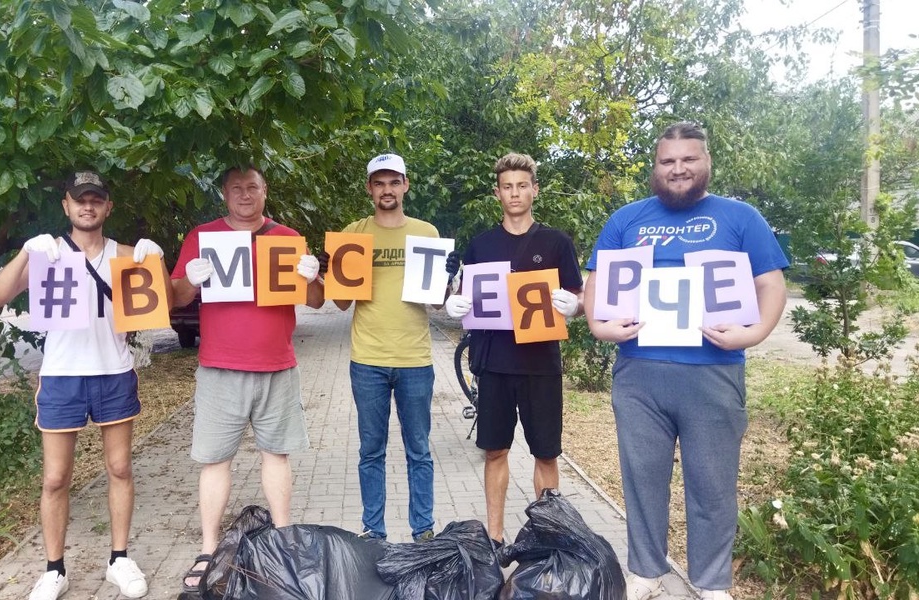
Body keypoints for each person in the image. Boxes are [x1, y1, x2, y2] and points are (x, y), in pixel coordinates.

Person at [583, 122, 788, 600]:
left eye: (688, 159)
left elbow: (771, 284)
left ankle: (711, 582)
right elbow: (596, 282)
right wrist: (597, 324)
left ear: (706, 162)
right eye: (667, 161)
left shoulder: (740, 217)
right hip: (639, 374)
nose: (678, 169)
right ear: (655, 167)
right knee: (642, 480)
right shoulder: (627, 219)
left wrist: (754, 333)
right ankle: (646, 572)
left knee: (713, 486)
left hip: (714, 373)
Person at [0, 171, 167, 600]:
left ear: (107, 207)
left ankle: (119, 559)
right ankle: (54, 569)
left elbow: (163, 301)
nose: (88, 206)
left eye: (96, 200)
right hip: (61, 376)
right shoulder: (46, 254)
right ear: (66, 206)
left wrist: (154, 262)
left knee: (120, 469)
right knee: (54, 478)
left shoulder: (125, 255)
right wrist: (26, 255)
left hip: (113, 372)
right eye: (79, 200)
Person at [169, 166, 324, 593]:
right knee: (215, 459)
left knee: (277, 454)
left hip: (277, 364)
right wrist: (189, 283)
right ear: (224, 193)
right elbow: (174, 296)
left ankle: (284, 537)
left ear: (264, 191)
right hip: (220, 367)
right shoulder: (202, 237)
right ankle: (208, 547)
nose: (244, 194)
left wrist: (314, 277)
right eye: (236, 188)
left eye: (251, 187)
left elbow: (316, 301)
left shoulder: (288, 238)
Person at [444, 152, 584, 548]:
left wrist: (574, 306)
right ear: (497, 193)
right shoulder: (481, 245)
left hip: (541, 363)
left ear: (534, 190)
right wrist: (456, 302)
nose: (515, 193)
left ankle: (549, 538)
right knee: (494, 451)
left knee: (546, 453)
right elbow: (464, 295)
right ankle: (494, 536)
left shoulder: (556, 242)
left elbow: (577, 294)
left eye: (522, 185)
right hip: (493, 363)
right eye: (507, 186)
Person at [327, 153, 458, 542]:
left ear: (406, 185)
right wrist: (326, 271)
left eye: (394, 181)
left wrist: (448, 281)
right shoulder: (353, 233)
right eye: (379, 182)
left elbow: (436, 303)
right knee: (371, 451)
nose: (387, 189)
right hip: (367, 359)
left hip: (415, 359)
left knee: (419, 450)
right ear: (369, 188)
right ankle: (373, 531)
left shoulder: (426, 233)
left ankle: (423, 530)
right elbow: (338, 303)